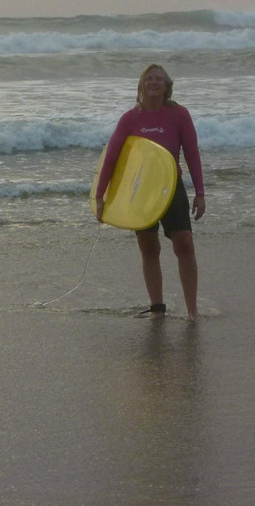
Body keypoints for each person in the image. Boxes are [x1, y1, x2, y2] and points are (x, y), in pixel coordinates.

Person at [94, 64, 205, 319]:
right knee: (149, 247)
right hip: (141, 191)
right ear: (142, 85)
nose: (154, 82)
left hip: (171, 187)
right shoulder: (130, 118)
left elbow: (192, 154)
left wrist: (200, 193)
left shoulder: (179, 115)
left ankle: (192, 309)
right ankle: (157, 308)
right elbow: (111, 158)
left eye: (159, 79)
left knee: (185, 245)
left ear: (167, 86)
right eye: (149, 79)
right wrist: (101, 196)